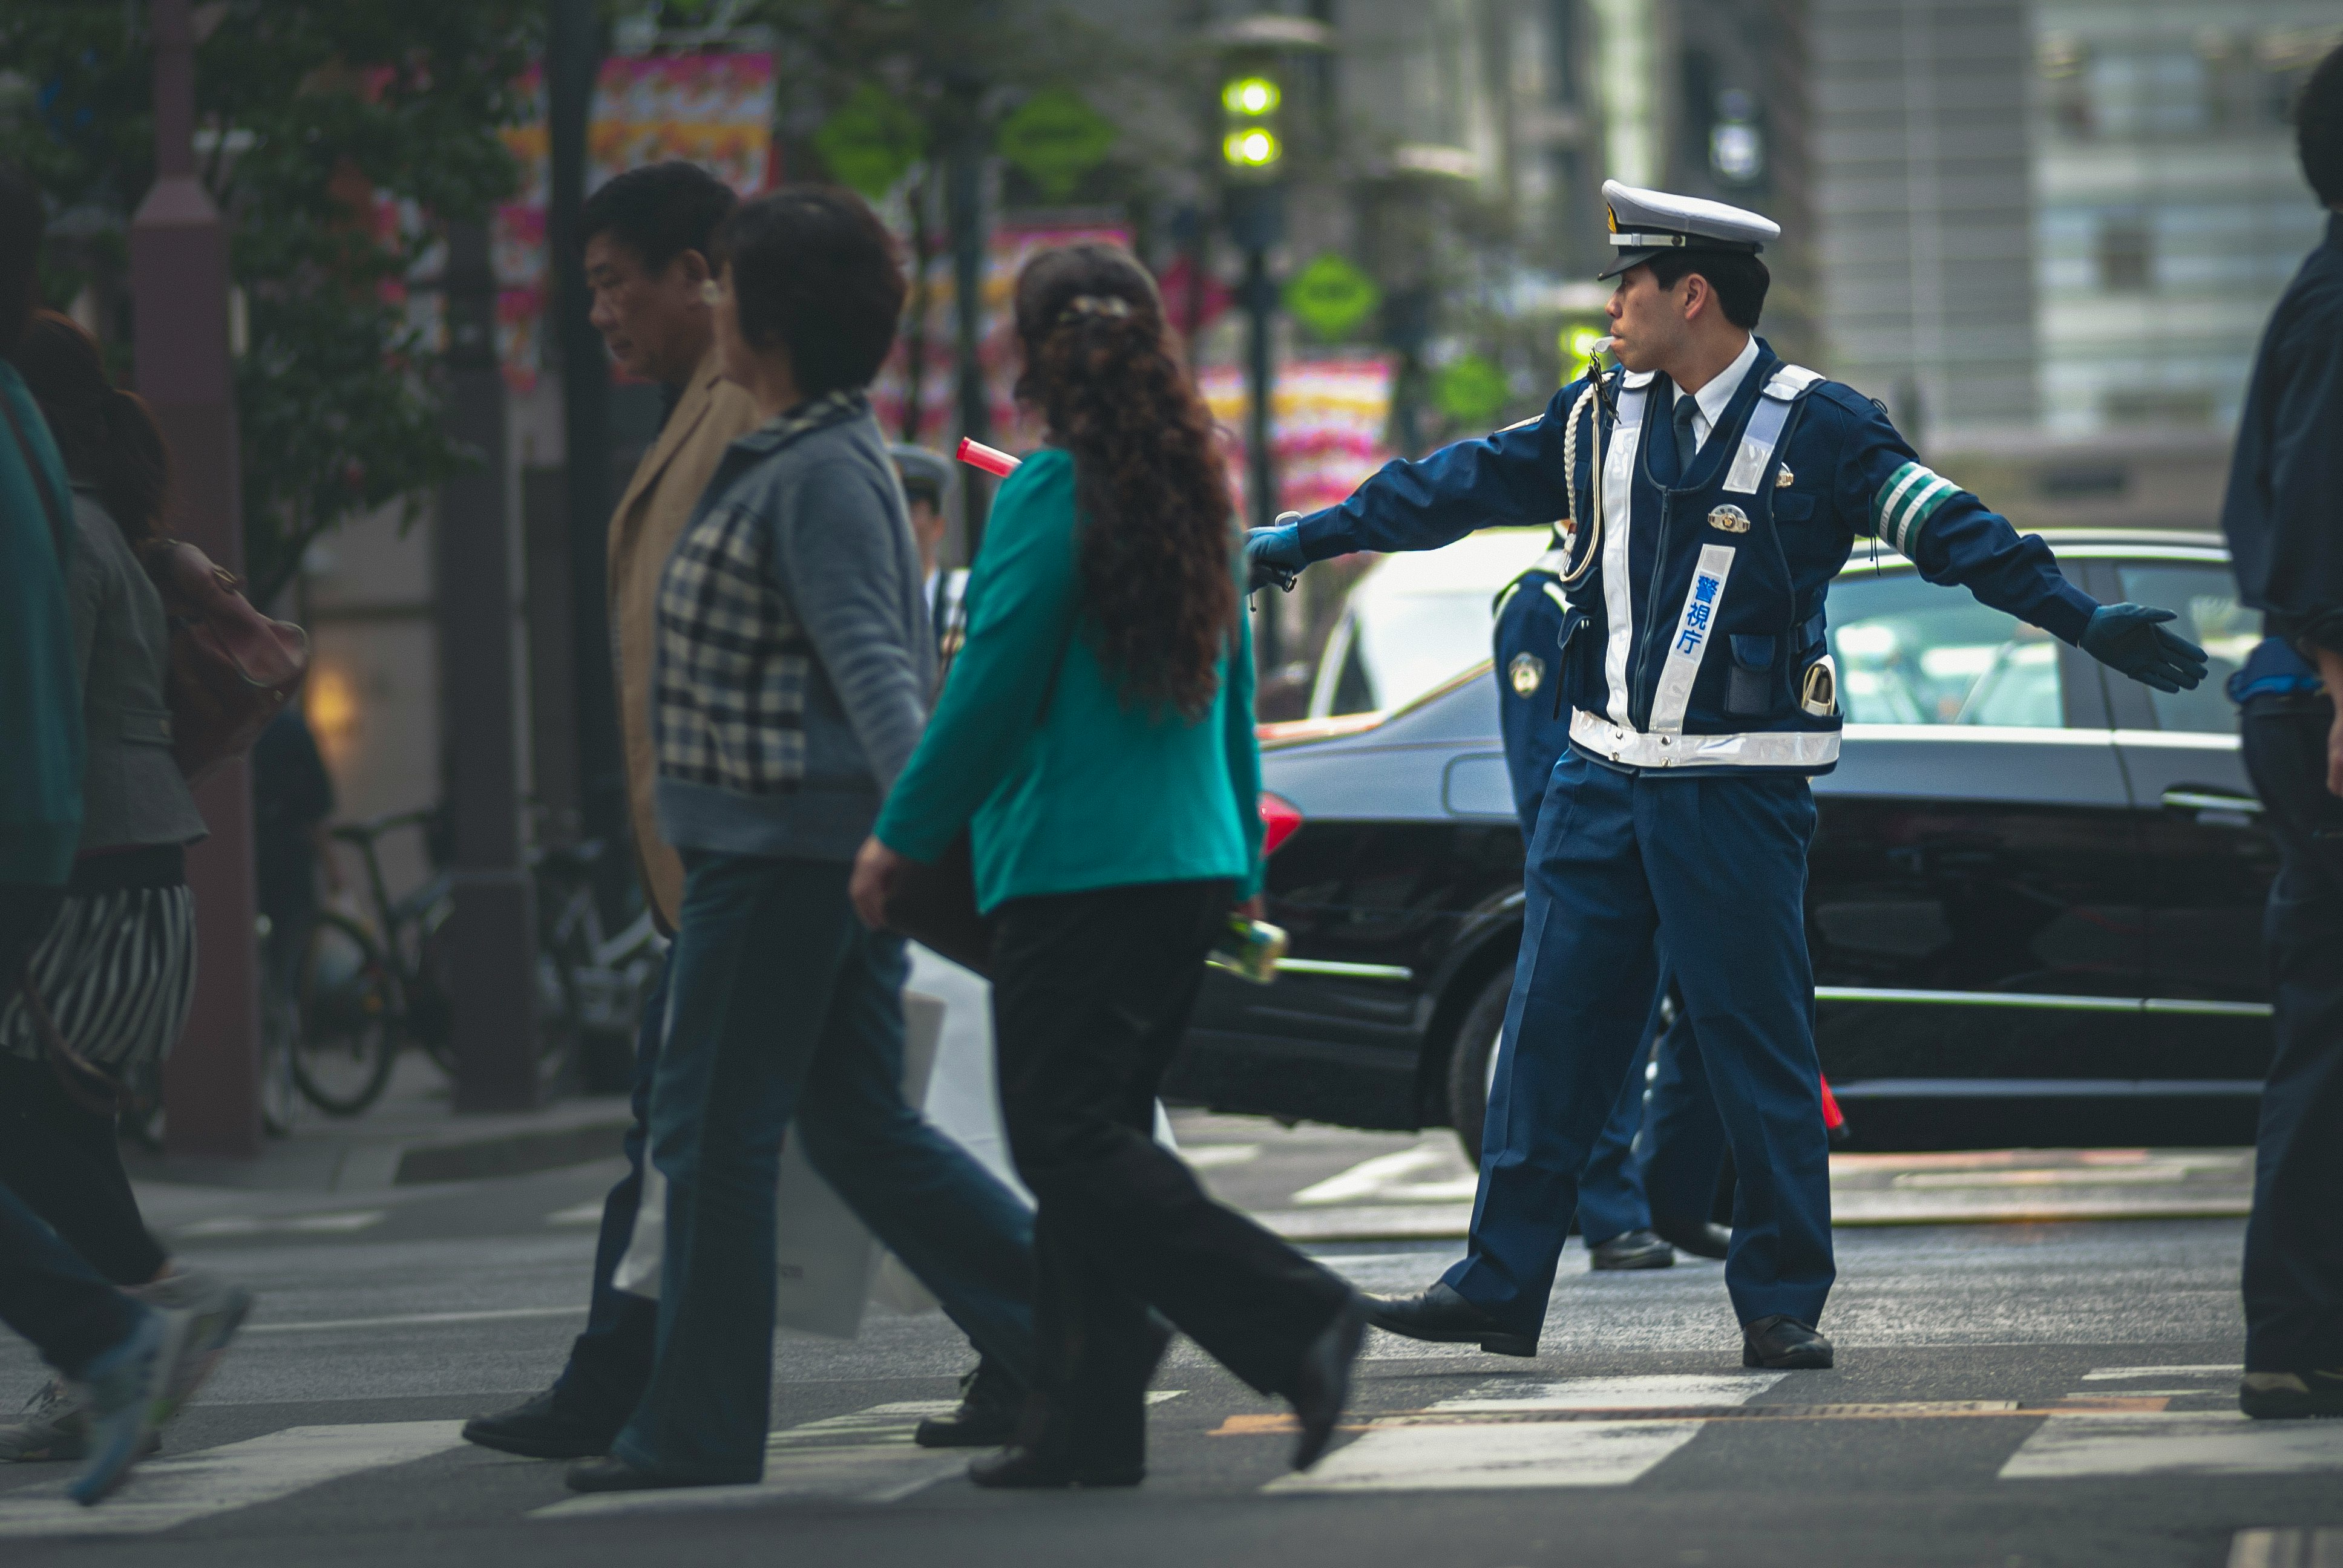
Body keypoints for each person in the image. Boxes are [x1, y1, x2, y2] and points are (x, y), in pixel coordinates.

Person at [1247, 180, 2207, 1370]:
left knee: (1753, 1045)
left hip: (1738, 794)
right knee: (1548, 1042)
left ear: (1688, 295)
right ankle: (1500, 1285)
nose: (1610, 310)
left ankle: (1779, 1301)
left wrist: (2079, 618)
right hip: (1599, 782)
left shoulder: (1827, 427)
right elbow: (1444, 489)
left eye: (1626, 288)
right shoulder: (1592, 418)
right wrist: (1301, 540)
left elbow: (1956, 533)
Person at [466, 167, 1024, 1465]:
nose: (681, 306)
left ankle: (701, 1424)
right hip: (782, 846)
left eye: (633, 282)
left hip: (782, 849)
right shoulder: (792, 447)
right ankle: (1063, 1324)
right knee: (850, 1127)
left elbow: (880, 670)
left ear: (754, 311)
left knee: (709, 1138)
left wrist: (918, 836)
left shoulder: (815, 463)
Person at [851, 242, 1367, 1489]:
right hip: (1184, 863)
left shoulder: (1044, 494)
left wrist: (900, 835)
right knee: (1098, 1125)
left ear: (1032, 357)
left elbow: (986, 690)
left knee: (1063, 1138)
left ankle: (1295, 1316)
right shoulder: (1204, 494)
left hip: (1077, 871)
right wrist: (1238, 867)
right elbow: (1235, 700)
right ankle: (1084, 1425)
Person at [466, 161, 761, 1464]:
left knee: (687, 1134)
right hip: (714, 859)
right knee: (822, 1138)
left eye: (608, 282)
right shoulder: (698, 410)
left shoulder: (749, 417)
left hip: (750, 850)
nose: (594, 312)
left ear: (698, 274)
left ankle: (626, 1389)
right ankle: (623, 1383)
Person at [0, 163, 223, 1505]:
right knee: (40, 1120)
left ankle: (125, 1320)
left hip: (58, 839)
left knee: (38, 1118)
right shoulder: (29, 424)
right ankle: (120, 1321)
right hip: (56, 838)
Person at [2219, 44, 2343, 1423]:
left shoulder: (2318, 290)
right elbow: (2314, 526)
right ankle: (2299, 1332)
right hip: (2325, 704)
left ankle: (2303, 1334)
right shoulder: (2340, 301)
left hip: (2301, 695)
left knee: (2326, 1030)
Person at [888, 442, 960, 652]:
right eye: (888, 511)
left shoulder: (963, 600)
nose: (897, 522)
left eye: (910, 511)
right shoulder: (868, 607)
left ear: (937, 526)